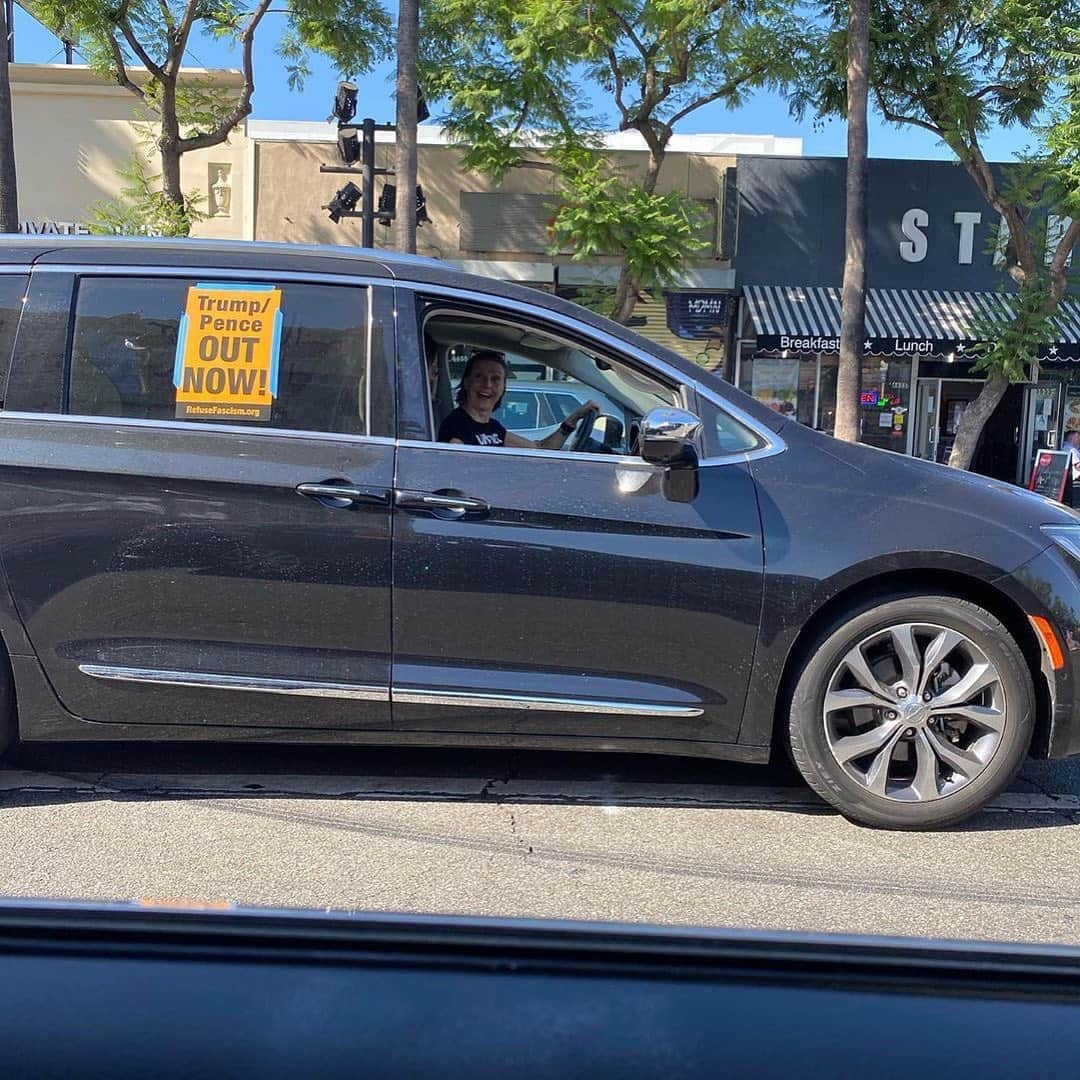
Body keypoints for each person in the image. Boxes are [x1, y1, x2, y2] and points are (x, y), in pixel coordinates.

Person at [438, 349, 599, 449]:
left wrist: (573, 420)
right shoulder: (455, 426)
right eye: (479, 377)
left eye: (495, 379)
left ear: (503, 387)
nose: (487, 385)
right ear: (466, 382)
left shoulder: (494, 428)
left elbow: (540, 449)